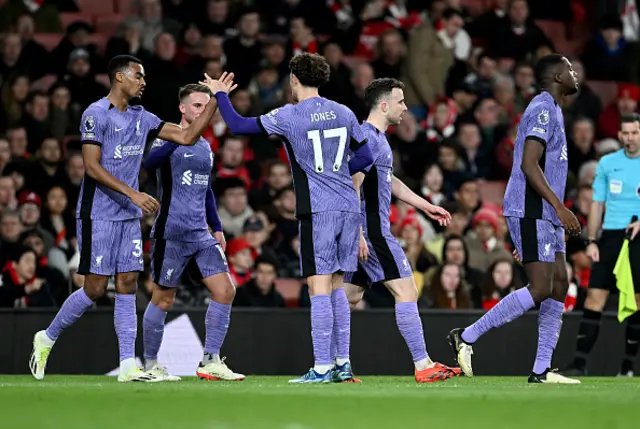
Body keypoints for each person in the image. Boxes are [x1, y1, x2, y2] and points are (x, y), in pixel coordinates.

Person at [29, 55, 234, 382]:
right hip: (98, 212)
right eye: (138, 76)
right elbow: (91, 167)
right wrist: (134, 194)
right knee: (95, 289)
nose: (143, 81)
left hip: (127, 216)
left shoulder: (143, 116)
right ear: (119, 78)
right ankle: (47, 337)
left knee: (127, 283)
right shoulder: (96, 114)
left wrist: (215, 99)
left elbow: (186, 136)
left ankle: (128, 365)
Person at [211, 53, 374, 383]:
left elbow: (239, 125)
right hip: (348, 206)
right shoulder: (344, 112)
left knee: (318, 286)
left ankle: (323, 367)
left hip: (318, 209)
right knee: (339, 287)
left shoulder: (289, 115)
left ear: (294, 80)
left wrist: (220, 94)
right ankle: (343, 363)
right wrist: (340, 172)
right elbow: (366, 156)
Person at [448, 54, 582, 383]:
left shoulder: (555, 109)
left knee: (559, 285)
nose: (573, 73)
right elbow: (528, 163)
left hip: (545, 213)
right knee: (541, 287)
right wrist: (560, 207)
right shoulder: (541, 108)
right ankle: (466, 336)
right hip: (531, 207)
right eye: (568, 68)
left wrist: (556, 211)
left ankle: (541, 370)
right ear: (555, 75)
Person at [341, 78, 459, 383]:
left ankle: (333, 364)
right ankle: (423, 365)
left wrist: (425, 205)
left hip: (366, 232)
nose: (405, 107)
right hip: (373, 233)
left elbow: (389, 182)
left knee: (347, 297)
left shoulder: (375, 138)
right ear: (384, 105)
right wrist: (358, 234)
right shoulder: (367, 138)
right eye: (400, 101)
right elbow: (353, 184)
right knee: (407, 290)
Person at [141, 83, 244, 382]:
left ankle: (210, 360)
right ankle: (149, 364)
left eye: (205, 106)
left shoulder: (206, 147)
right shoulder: (167, 136)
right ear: (183, 109)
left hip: (201, 232)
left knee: (226, 291)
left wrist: (216, 227)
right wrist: (183, 138)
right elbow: (149, 164)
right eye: (197, 106)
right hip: (171, 231)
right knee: (163, 299)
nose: (202, 112)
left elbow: (206, 189)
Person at [563, 114, 640, 376]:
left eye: (635, 133)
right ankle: (580, 363)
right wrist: (593, 240)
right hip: (611, 237)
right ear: (619, 135)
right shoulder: (607, 164)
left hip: (638, 235)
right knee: (595, 296)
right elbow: (597, 203)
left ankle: (628, 367)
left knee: (637, 300)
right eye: (626, 133)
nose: (630, 138)